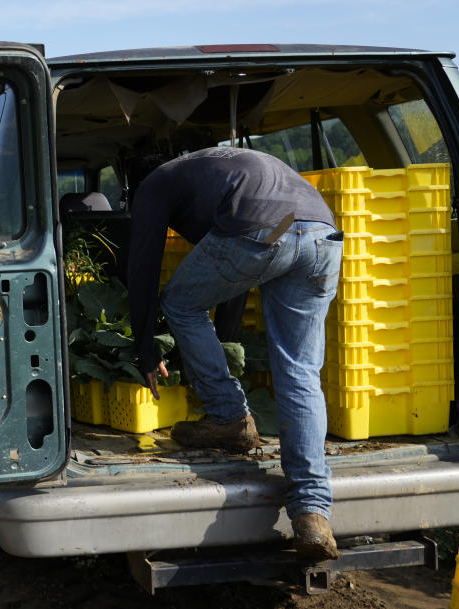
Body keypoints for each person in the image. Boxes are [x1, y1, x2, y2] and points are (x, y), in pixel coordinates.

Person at [126, 146, 343, 561]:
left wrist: (146, 347)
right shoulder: (215, 167)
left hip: (266, 230)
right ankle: (313, 513)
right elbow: (236, 273)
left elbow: (144, 266)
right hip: (322, 233)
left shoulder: (153, 185)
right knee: (300, 372)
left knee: (180, 301)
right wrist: (222, 340)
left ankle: (228, 416)